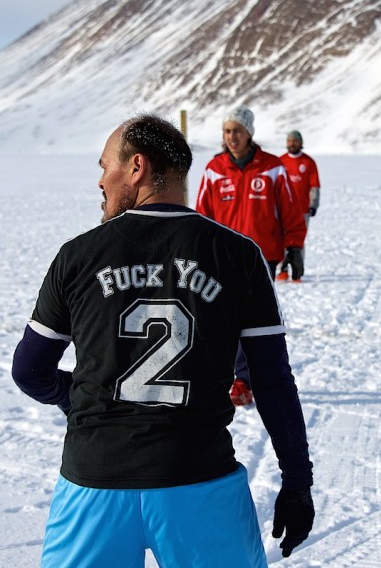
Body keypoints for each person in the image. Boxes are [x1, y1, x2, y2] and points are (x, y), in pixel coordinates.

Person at [11, 114, 314, 567]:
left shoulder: (78, 256)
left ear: (136, 168)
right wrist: (296, 481)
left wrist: (76, 397)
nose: (100, 180)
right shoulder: (238, 256)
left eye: (104, 166)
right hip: (199, 482)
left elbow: (28, 371)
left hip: (93, 485)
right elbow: (272, 381)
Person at [196, 106, 307, 405]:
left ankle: (245, 379)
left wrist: (294, 246)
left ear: (250, 133)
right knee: (223, 319)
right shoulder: (214, 169)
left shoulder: (272, 167)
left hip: (262, 257)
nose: (232, 137)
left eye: (238, 131)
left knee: (252, 320)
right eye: (227, 131)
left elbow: (290, 209)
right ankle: (234, 377)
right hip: (222, 257)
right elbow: (202, 215)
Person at [278, 129, 321, 281]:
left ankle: (297, 272)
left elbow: (314, 185)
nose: (292, 144)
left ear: (300, 143)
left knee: (298, 241)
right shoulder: (280, 161)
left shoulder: (308, 162)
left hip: (302, 210)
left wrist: (313, 204)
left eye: (295, 141)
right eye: (289, 141)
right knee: (281, 240)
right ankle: (282, 270)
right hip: (283, 210)